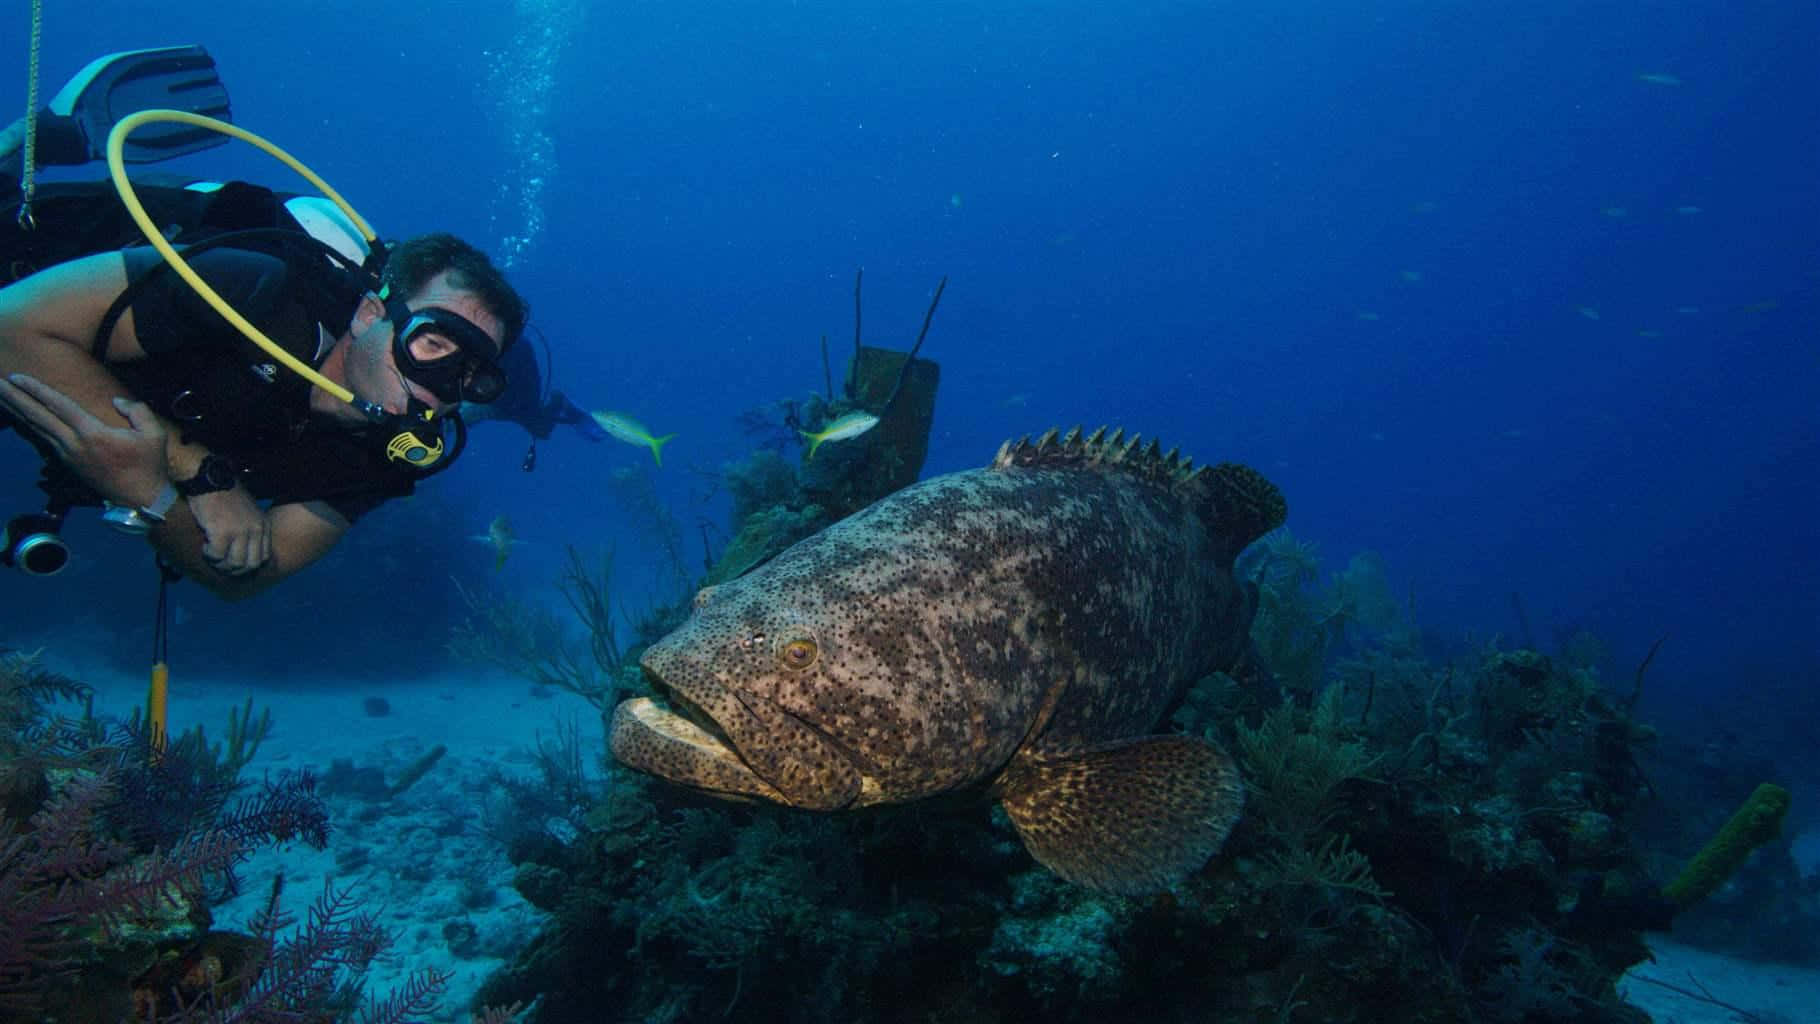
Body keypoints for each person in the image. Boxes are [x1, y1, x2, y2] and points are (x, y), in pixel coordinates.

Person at [0, 51, 529, 599]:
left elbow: (252, 575)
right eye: (432, 341)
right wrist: (194, 468)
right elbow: (7, 328)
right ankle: (33, 144)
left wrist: (151, 494)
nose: (440, 386)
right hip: (36, 285)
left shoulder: (385, 455)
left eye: (469, 375)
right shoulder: (258, 292)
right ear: (372, 314)